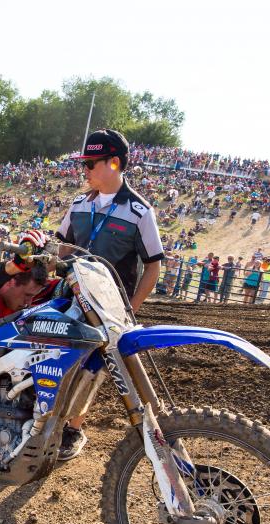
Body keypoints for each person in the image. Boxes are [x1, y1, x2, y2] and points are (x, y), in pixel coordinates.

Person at [56, 129, 165, 461]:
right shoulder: (77, 204)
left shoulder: (139, 212)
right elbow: (60, 246)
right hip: (69, 300)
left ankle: (73, 428)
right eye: (83, 164)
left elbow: (153, 267)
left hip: (108, 312)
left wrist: (130, 311)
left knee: (90, 369)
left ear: (114, 163)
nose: (84, 170)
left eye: (90, 164)